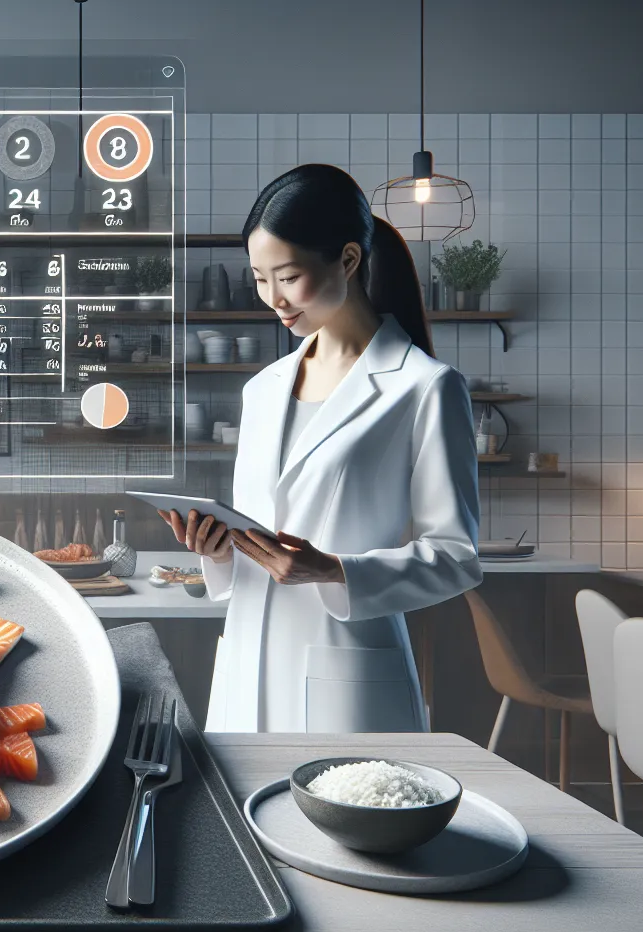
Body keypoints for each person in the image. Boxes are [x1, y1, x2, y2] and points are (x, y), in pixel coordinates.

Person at [160, 164, 481, 733]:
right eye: (259, 278)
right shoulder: (262, 389)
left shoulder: (424, 386)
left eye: (287, 276)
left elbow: (456, 558)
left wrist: (334, 570)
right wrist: (217, 551)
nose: (272, 299)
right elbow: (259, 531)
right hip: (245, 662)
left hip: (345, 678)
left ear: (349, 260)